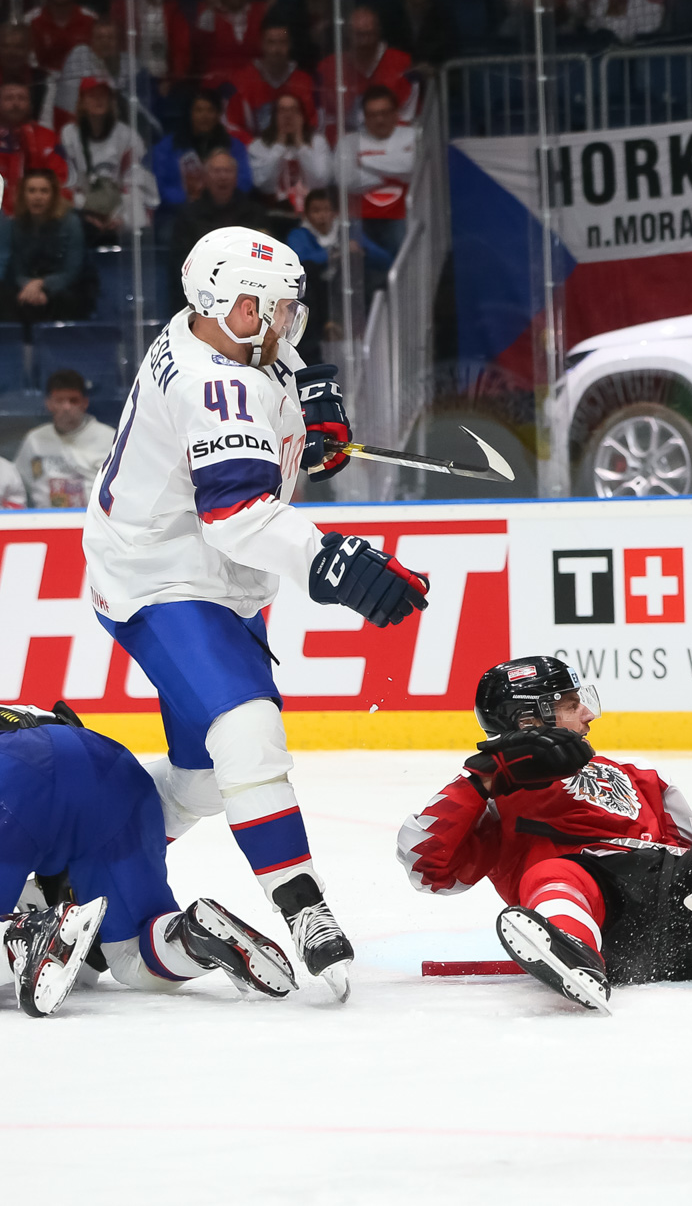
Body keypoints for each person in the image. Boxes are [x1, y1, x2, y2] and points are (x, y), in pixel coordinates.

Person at [83, 226, 433, 1002]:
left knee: (204, 782)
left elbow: (270, 369)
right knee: (248, 731)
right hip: (167, 577)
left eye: (280, 308)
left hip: (203, 574)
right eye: (261, 309)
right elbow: (238, 516)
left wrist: (308, 415)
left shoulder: (220, 335)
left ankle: (94, 854)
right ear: (219, 302)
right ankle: (303, 906)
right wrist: (335, 561)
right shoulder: (214, 384)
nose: (276, 325)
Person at [398, 657, 692, 1011]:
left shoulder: (639, 774)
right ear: (528, 720)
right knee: (553, 875)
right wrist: (479, 782)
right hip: (610, 938)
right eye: (571, 704)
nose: (588, 714)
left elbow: (691, 854)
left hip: (682, 926)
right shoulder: (496, 804)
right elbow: (426, 867)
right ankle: (572, 946)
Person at [0, 703, 299, 1018]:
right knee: (130, 958)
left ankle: (30, 933)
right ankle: (190, 935)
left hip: (16, 779)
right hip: (111, 769)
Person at [286, 187, 388, 363]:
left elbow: (385, 259)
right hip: (316, 294)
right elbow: (298, 261)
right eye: (316, 211)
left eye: (326, 210)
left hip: (345, 292)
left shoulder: (347, 233)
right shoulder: (299, 234)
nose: (322, 216)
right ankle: (327, 329)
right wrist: (333, 254)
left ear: (334, 213)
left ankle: (353, 329)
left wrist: (362, 250)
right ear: (306, 215)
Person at [61, 76, 160, 240]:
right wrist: (85, 213)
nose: (99, 100)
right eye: (92, 95)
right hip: (83, 207)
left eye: (103, 95)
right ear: (82, 102)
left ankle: (139, 249)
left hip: (119, 209)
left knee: (135, 196)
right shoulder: (69, 134)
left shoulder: (128, 136)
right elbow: (68, 183)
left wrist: (120, 216)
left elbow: (138, 182)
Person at [0, 167, 95, 322]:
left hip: (65, 287)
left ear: (53, 195)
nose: (38, 197)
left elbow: (72, 270)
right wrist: (29, 285)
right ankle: (21, 345)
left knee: (66, 299)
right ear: (23, 195)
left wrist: (41, 284)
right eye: (32, 191)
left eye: (44, 191)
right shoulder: (15, 225)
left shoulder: (71, 223)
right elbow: (17, 269)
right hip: (27, 288)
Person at [168, 148, 269, 286]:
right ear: (205, 177)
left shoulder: (254, 212)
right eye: (216, 171)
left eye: (227, 171)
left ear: (236, 176)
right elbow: (181, 261)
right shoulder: (188, 215)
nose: (222, 177)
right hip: (202, 285)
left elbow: (264, 256)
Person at [16, 368, 114, 508]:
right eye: (59, 400)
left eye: (73, 400)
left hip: (93, 523)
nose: (67, 407)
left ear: (84, 403)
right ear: (49, 404)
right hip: (41, 523)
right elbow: (19, 485)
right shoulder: (35, 440)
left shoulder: (109, 439)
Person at [335, 84, 413, 255]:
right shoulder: (349, 141)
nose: (379, 120)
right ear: (365, 116)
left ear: (395, 113)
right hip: (360, 218)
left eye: (384, 113)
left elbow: (411, 167)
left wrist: (362, 161)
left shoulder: (411, 136)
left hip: (401, 216)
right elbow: (346, 181)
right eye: (373, 115)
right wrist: (393, 174)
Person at [149, 88, 252, 212]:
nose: (204, 116)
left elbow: (244, 182)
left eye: (210, 110)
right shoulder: (167, 147)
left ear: (218, 114)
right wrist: (186, 199)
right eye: (199, 110)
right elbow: (158, 185)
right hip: (178, 212)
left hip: (224, 211)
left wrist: (217, 198)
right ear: (190, 113)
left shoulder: (234, 146)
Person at [317, 6, 413, 136]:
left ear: (378, 32)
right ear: (348, 34)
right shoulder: (330, 67)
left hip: (392, 143)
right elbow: (328, 121)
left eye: (369, 33)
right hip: (348, 143)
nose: (364, 41)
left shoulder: (401, 63)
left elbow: (408, 118)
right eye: (359, 34)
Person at [224, 23, 317, 142]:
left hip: (295, 149)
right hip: (255, 152)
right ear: (261, 45)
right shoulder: (242, 79)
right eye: (271, 42)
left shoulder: (303, 81)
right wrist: (255, 148)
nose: (276, 49)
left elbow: (312, 124)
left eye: (282, 42)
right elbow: (232, 125)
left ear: (290, 45)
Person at [249, 93, 331, 217]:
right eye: (282, 110)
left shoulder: (317, 142)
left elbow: (320, 181)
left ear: (302, 115)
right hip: (273, 214)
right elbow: (263, 184)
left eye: (293, 110)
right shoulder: (259, 145)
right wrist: (279, 145)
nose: (288, 115)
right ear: (274, 116)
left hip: (311, 215)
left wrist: (300, 143)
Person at [0, 80, 68, 214]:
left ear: (30, 104)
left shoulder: (47, 138)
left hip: (39, 218)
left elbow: (61, 181)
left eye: (21, 98)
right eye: (9, 98)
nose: (15, 103)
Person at [194, 0, 269, 89]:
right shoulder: (208, 14)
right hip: (217, 89)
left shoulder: (263, 11)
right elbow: (197, 56)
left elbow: (282, 36)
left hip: (255, 88)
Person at [24, 0, 96, 80]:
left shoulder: (90, 19)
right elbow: (28, 62)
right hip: (43, 84)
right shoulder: (30, 21)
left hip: (83, 83)